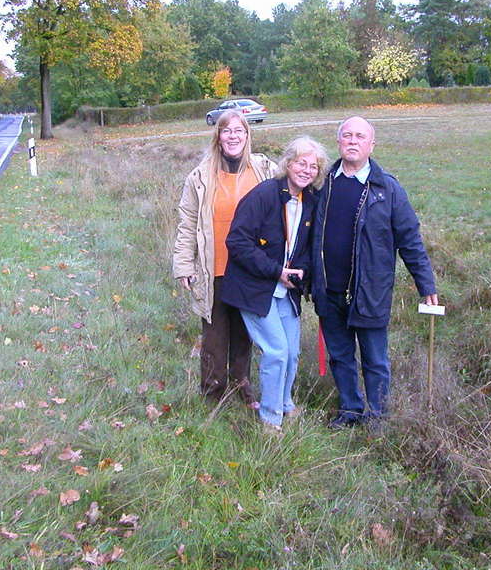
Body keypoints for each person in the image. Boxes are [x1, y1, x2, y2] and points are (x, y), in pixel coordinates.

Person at [311, 116, 438, 429]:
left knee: (375, 360)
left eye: (360, 137)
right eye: (347, 135)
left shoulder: (388, 189)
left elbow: (410, 239)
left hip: (370, 292)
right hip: (329, 291)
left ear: (371, 145)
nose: (353, 141)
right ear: (338, 141)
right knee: (340, 356)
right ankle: (351, 410)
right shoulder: (322, 184)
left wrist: (426, 283)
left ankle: (378, 415)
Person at [172, 110, 277, 407]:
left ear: (247, 135)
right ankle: (213, 392)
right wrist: (183, 263)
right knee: (215, 337)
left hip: (250, 269)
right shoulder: (200, 176)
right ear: (217, 136)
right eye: (226, 130)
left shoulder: (264, 170)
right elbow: (187, 222)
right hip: (213, 268)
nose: (233, 136)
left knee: (245, 333)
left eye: (239, 131)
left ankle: (241, 386)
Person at [221, 137, 326, 433]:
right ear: (288, 163)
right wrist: (276, 271)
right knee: (277, 351)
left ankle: (284, 404)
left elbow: (306, 247)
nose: (306, 170)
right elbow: (237, 242)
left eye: (313, 166)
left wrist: (301, 272)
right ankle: (269, 419)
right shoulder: (264, 195)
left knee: (292, 352)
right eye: (301, 163)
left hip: (286, 291)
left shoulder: (310, 201)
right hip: (254, 288)